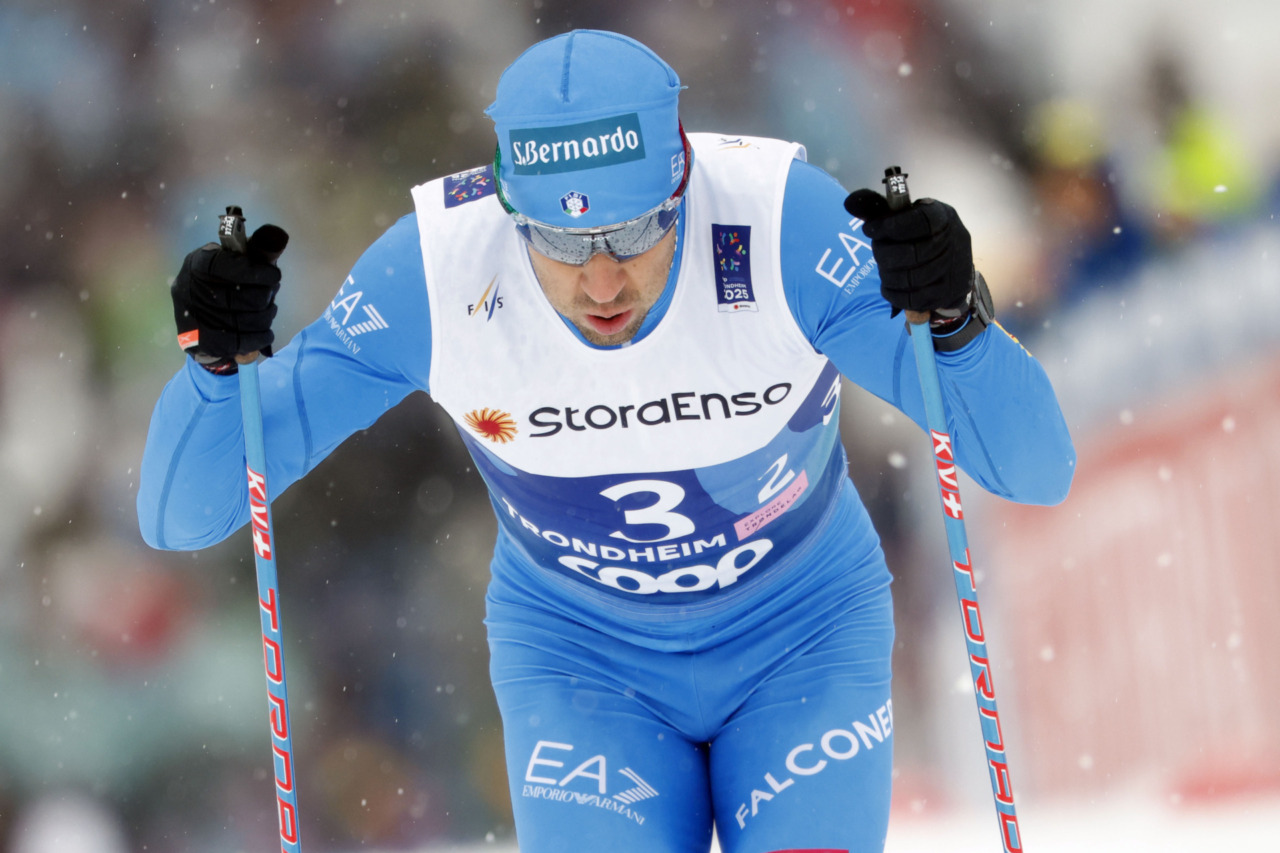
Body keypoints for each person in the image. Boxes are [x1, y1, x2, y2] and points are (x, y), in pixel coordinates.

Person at [138, 29, 1074, 853]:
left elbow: (1034, 469)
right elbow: (183, 517)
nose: (600, 281)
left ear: (683, 183)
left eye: (633, 232)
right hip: (584, 659)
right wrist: (215, 370)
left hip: (800, 633)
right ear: (508, 207)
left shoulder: (780, 223)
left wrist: (957, 321)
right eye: (557, 240)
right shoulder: (434, 270)